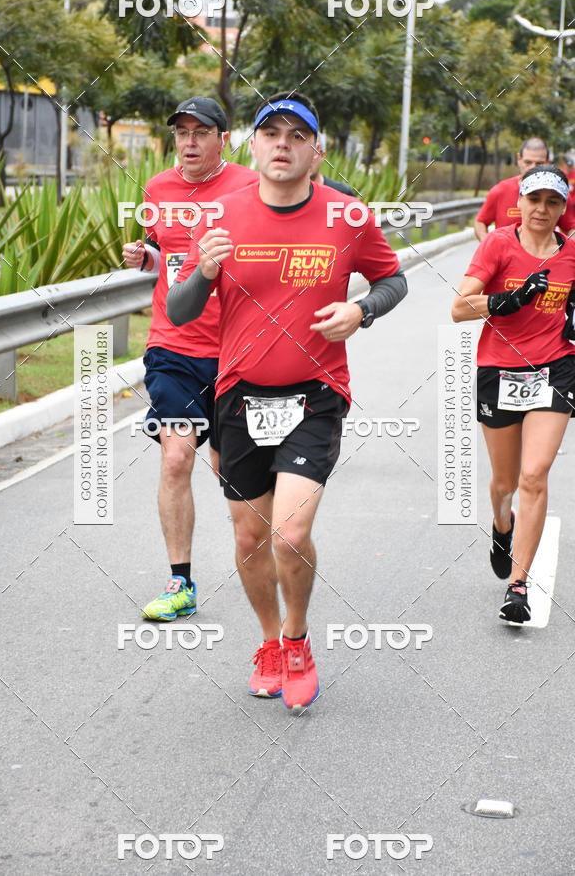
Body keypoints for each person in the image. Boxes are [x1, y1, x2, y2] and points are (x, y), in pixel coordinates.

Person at [166, 91, 407, 709]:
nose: (281, 144)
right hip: (239, 394)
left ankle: (298, 640)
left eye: (295, 136)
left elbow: (393, 278)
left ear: (315, 151)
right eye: (270, 133)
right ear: (253, 145)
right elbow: (179, 309)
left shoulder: (346, 217)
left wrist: (361, 310)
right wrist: (202, 273)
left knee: (290, 532)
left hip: (315, 392)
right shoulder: (218, 216)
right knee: (249, 539)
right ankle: (270, 642)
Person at [122, 97, 257, 621]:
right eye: (181, 132)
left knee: (231, 472)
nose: (189, 142)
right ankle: (180, 583)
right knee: (176, 454)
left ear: (223, 137)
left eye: (201, 132)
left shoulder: (249, 185)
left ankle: (258, 564)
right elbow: (166, 254)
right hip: (173, 345)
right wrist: (146, 256)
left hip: (235, 350)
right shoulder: (158, 189)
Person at [452, 164, 575, 623]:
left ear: (563, 208)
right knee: (504, 484)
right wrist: (510, 299)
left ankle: (518, 584)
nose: (542, 209)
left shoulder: (571, 253)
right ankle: (502, 525)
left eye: (553, 202)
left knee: (535, 475)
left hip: (554, 371)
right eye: (535, 200)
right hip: (499, 372)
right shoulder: (498, 244)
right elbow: (459, 308)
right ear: (519, 202)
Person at [474, 138, 575, 242]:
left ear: (548, 162)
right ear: (519, 159)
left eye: (539, 163)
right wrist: (488, 245)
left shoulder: (558, 193)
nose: (532, 168)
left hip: (543, 257)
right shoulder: (500, 190)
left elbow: (571, 228)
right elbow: (480, 222)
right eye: (528, 162)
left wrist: (567, 252)